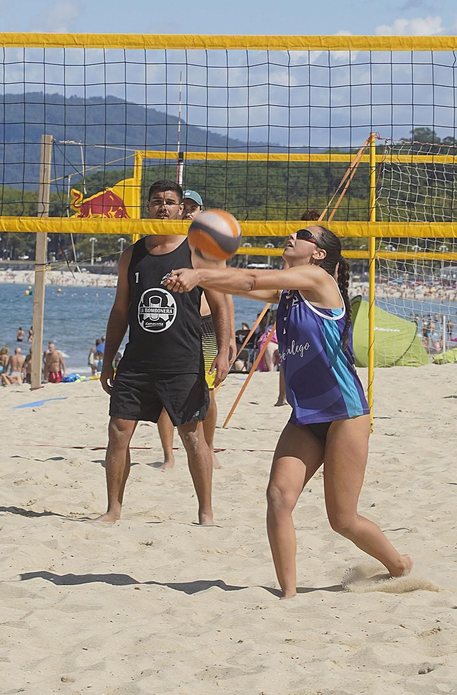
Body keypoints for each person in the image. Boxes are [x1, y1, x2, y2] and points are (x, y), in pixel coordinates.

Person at [164, 224, 412, 597]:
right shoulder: (288, 293)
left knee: (342, 519)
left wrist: (200, 272)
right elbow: (239, 285)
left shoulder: (317, 279)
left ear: (319, 254)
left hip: (344, 413)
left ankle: (399, 566)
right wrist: (200, 262)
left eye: (303, 234)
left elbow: (250, 279)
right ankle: (290, 595)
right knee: (278, 498)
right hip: (305, 416)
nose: (293, 236)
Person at [95, 180, 230, 525]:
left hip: (182, 360)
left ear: (182, 209)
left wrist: (224, 351)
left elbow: (219, 306)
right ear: (148, 207)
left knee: (192, 437)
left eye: (170, 202)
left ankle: (206, 512)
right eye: (157, 202)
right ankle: (113, 510)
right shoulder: (133, 254)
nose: (163, 207)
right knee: (118, 431)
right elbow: (120, 311)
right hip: (137, 361)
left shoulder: (197, 253)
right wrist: (108, 358)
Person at [159, 188, 234, 470]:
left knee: (208, 392)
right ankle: (168, 455)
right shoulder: (164, 240)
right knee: (166, 392)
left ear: (201, 211)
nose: (188, 211)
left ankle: (209, 447)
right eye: (185, 206)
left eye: (194, 206)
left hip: (205, 324)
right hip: (174, 321)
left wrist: (229, 342)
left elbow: (225, 292)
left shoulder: (211, 245)